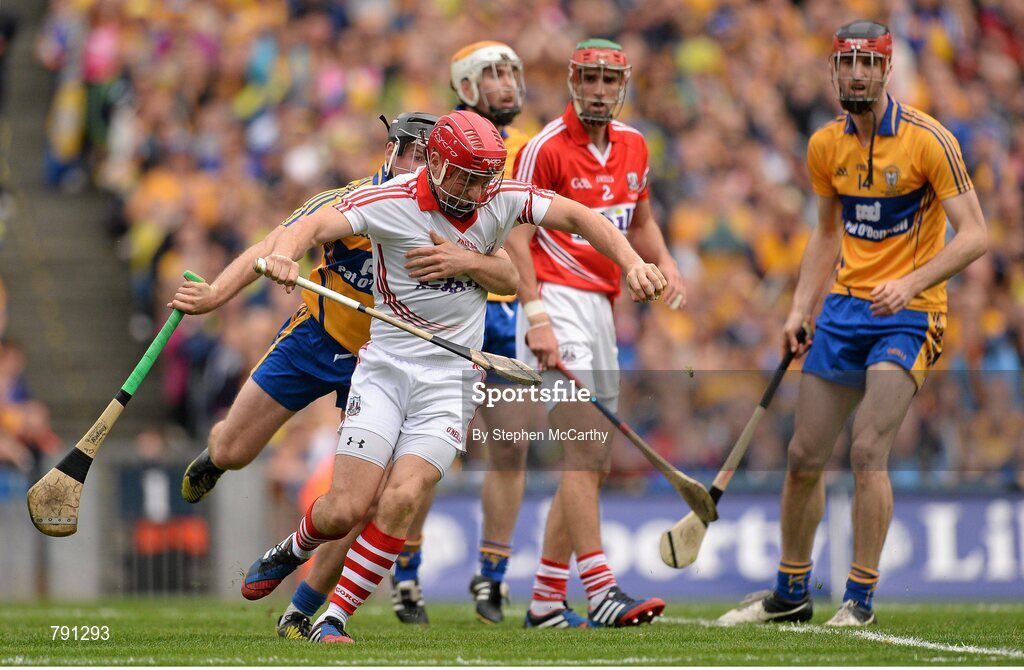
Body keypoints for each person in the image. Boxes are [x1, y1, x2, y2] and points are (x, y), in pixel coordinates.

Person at [241, 109, 666, 644]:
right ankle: (295, 548)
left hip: (451, 380)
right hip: (385, 370)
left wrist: (630, 263)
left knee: (403, 497)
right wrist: (283, 255)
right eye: (463, 175)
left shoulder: (501, 196)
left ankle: (332, 619)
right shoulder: (389, 200)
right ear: (436, 161)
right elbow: (311, 224)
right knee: (343, 509)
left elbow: (581, 219)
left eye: (482, 176)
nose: (472, 189)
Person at [171, 112, 494, 639]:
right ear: (392, 153)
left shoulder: (458, 222)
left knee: (362, 501)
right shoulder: (352, 201)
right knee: (233, 450)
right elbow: (270, 244)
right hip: (317, 338)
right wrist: (217, 295)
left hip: (389, 362)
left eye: (432, 158)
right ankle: (214, 454)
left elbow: (489, 285)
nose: (424, 168)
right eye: (415, 154)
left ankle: (301, 610)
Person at [718, 21, 987, 627]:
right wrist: (798, 309)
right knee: (803, 454)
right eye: (847, 63)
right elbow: (824, 233)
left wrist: (912, 283)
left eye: (869, 63)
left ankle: (859, 600)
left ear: (887, 70)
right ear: (834, 71)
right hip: (841, 311)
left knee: (868, 448)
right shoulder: (824, 146)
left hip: (910, 314)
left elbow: (977, 235)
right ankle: (790, 594)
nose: (857, 73)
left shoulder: (928, 141)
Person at [507, 38, 686, 629]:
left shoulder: (635, 145)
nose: (599, 92)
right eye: (589, 80)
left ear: (624, 85)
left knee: (594, 462)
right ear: (571, 81)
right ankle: (601, 589)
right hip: (555, 304)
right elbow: (515, 237)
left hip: (602, 311)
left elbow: (643, 218)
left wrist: (669, 262)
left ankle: (544, 601)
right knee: (582, 449)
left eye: (610, 82)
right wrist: (535, 315)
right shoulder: (543, 150)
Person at [389, 40, 532, 627]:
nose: (507, 84)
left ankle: (492, 579)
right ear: (466, 85)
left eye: (512, 72)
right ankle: (406, 576)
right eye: (493, 74)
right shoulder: (443, 142)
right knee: (427, 453)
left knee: (512, 443)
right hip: (446, 312)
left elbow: (530, 237)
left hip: (503, 312)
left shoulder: (530, 146)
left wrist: (541, 311)